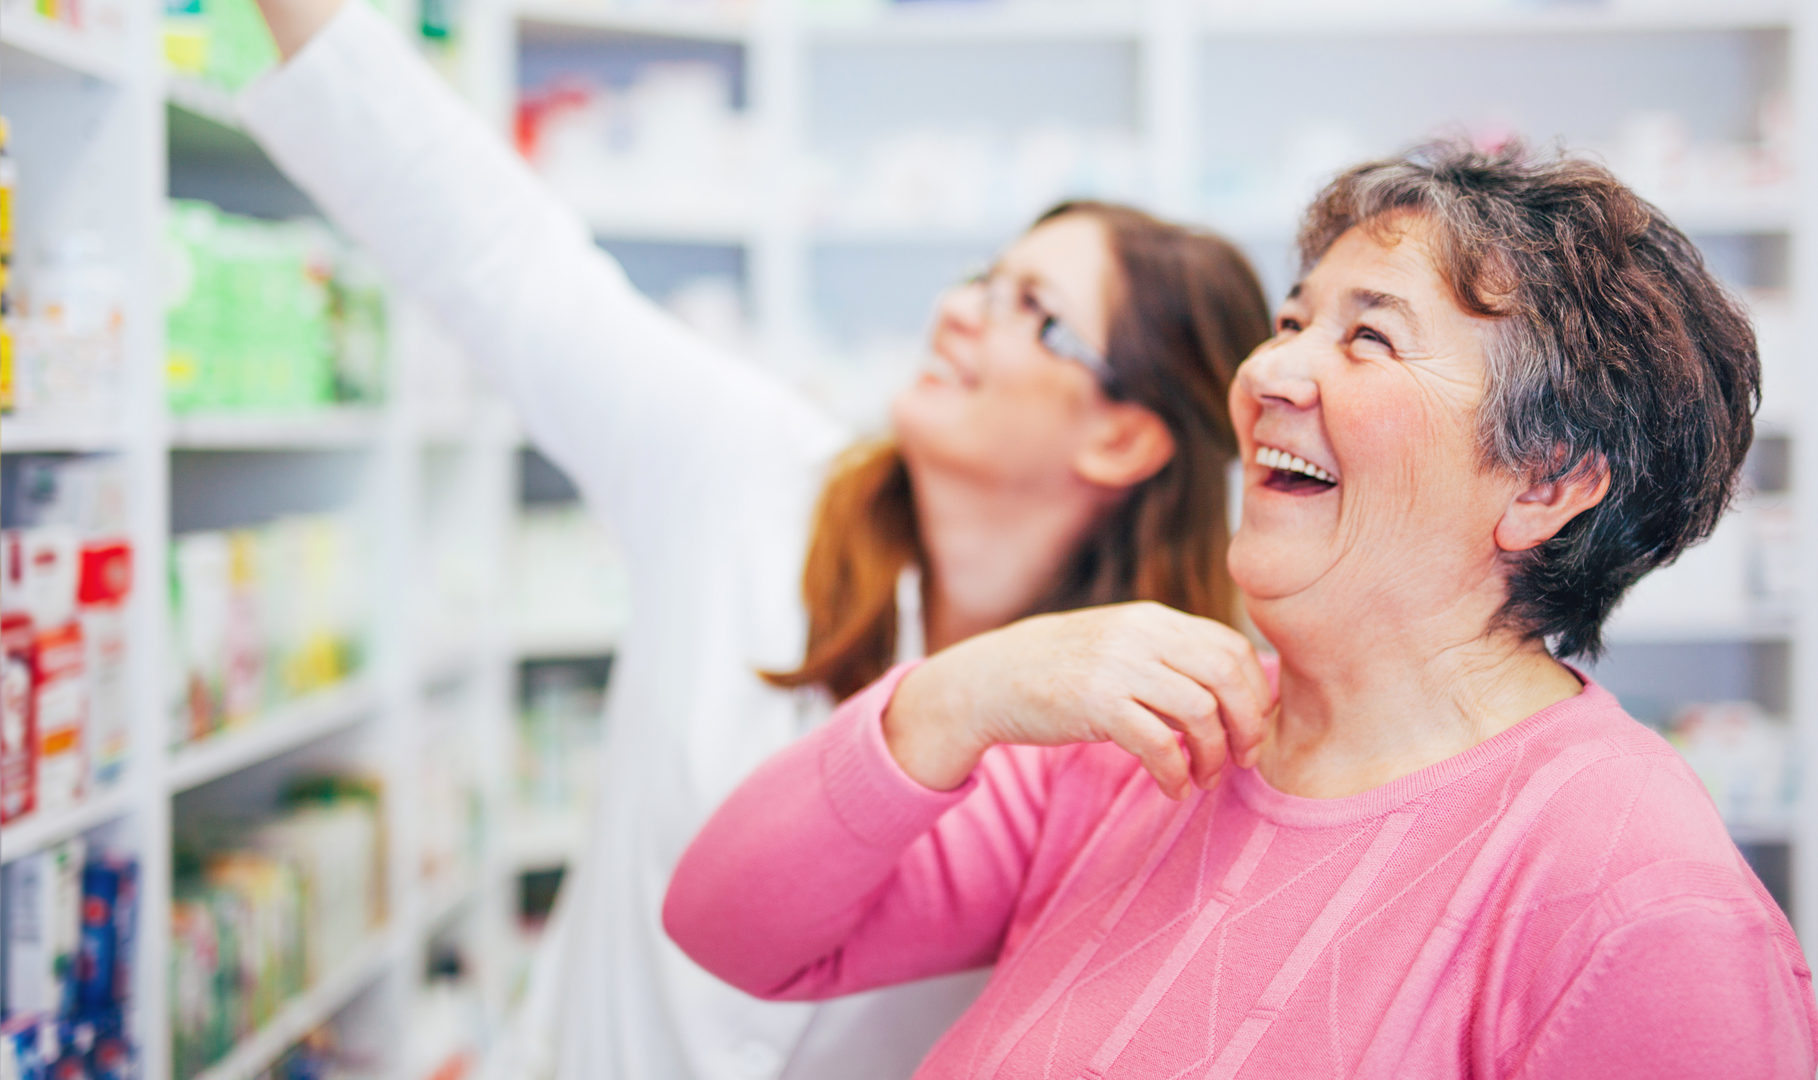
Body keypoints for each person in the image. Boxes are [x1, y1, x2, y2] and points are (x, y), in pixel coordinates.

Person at [237, 1, 1273, 1076]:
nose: (959, 311)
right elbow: (502, 257)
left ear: (1122, 436)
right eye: (981, 278)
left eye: (1032, 310)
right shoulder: (748, 475)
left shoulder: (1142, 746)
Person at [665, 139, 1818, 1078]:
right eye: (1291, 321)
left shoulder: (1639, 905)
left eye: (1367, 336)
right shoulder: (1162, 732)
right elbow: (731, 928)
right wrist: (962, 695)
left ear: (1547, 480)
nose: (1270, 375)